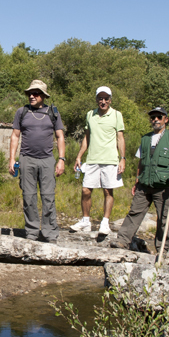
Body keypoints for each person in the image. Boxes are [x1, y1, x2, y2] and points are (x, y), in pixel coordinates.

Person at [111, 107, 169, 253]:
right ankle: (122, 241)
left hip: (163, 185)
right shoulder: (145, 139)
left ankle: (162, 249)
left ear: (166, 119)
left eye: (159, 117)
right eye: (153, 118)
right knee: (135, 212)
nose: (155, 120)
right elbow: (141, 162)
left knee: (164, 217)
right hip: (144, 184)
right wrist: (137, 180)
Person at [8, 80, 66, 243]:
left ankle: (49, 233)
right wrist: (12, 158)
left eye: (36, 93)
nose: (32, 96)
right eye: (30, 93)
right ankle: (32, 232)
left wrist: (61, 159)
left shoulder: (52, 112)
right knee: (29, 197)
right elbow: (15, 136)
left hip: (47, 160)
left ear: (43, 96)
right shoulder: (22, 112)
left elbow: (60, 136)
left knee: (48, 197)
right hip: (26, 160)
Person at [70, 86, 126, 236]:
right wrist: (79, 156)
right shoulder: (90, 115)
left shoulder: (116, 115)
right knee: (86, 190)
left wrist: (122, 159)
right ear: (96, 99)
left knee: (108, 191)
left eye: (106, 98)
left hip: (110, 160)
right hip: (92, 159)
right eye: (100, 98)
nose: (103, 101)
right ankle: (85, 221)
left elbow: (120, 138)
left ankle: (105, 223)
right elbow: (87, 137)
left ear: (110, 100)